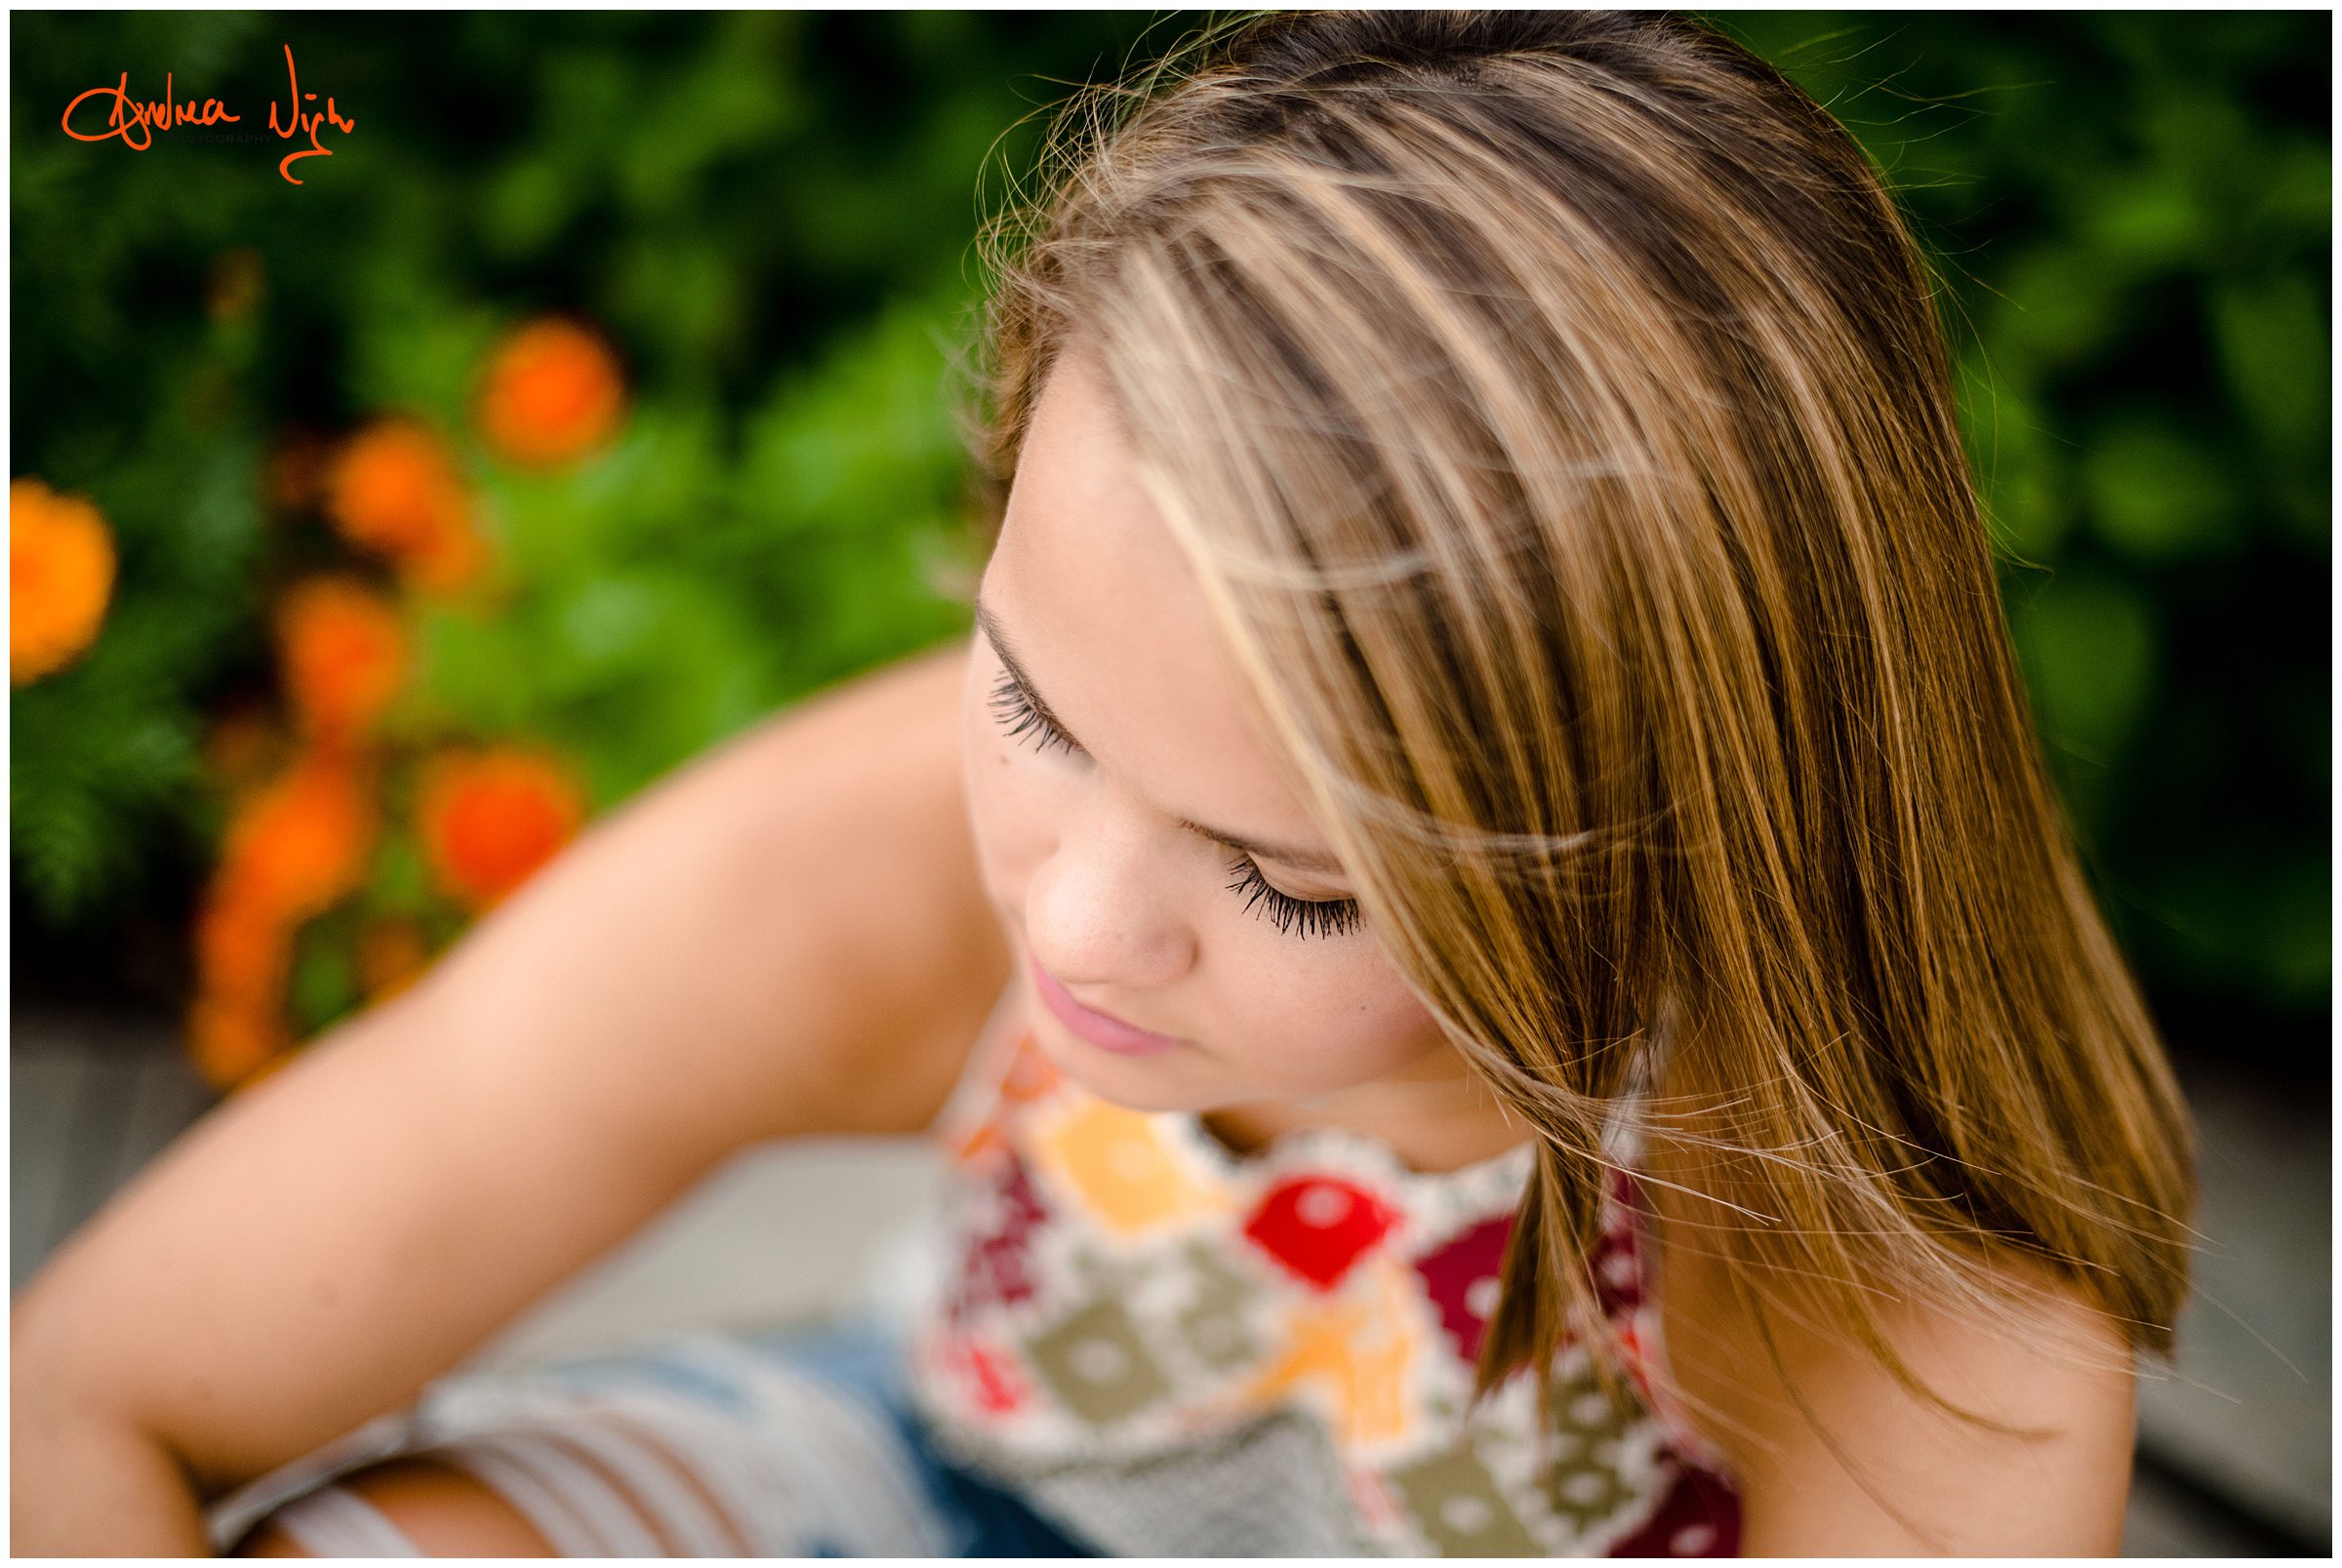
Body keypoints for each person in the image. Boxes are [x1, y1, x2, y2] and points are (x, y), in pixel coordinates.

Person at [12, 11, 2195, 1557]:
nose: (1065, 923)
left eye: (1294, 883)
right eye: (1038, 709)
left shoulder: (1899, 1297)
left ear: (1691, 850)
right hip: (917, 1491)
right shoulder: (880, 856)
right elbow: (95, 1396)